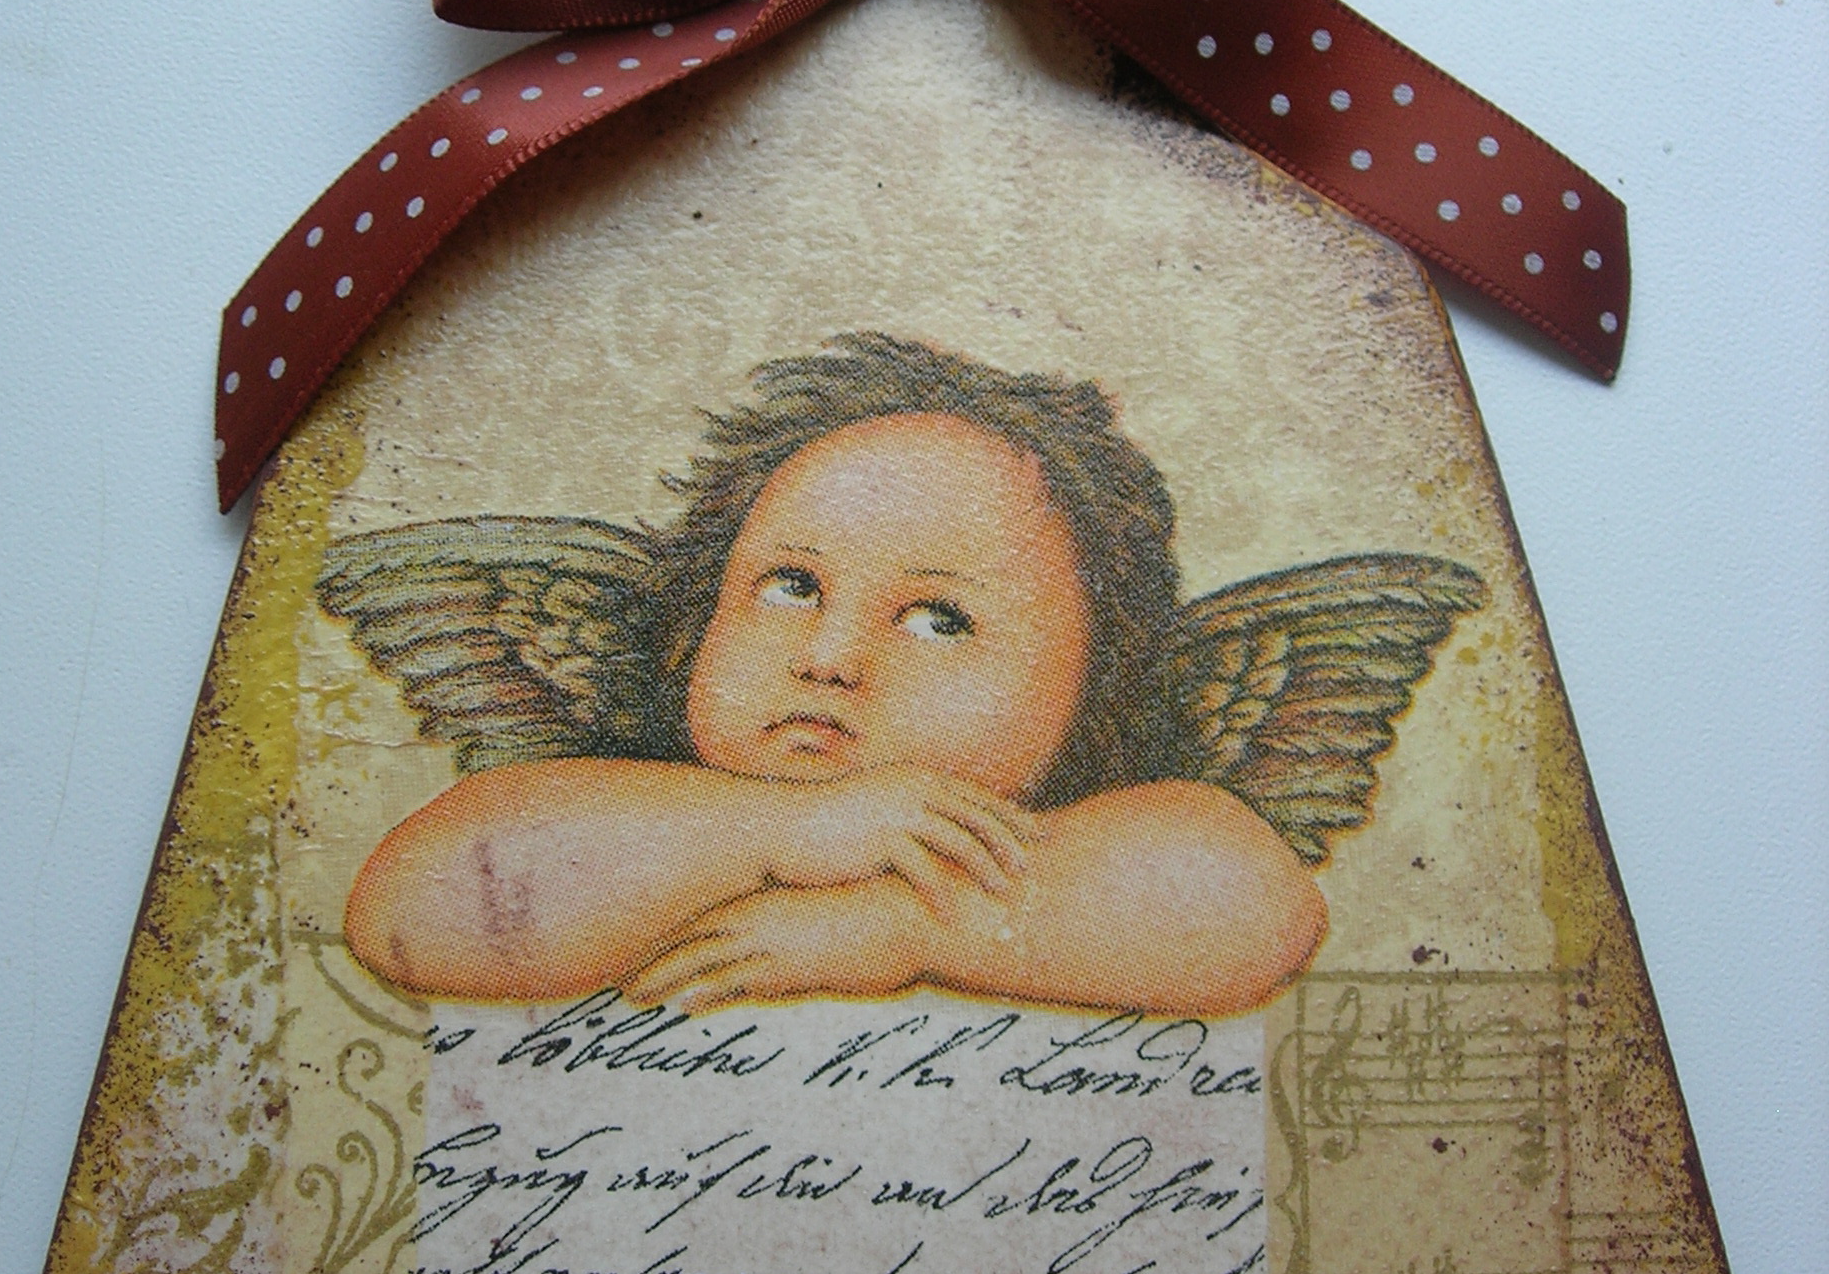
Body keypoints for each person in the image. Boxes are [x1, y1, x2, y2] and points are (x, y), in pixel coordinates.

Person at [343, 336, 1326, 1018]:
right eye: (791, 586)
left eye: (938, 619)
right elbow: (405, 917)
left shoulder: (1097, 844)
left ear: (1097, 687)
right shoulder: (616, 812)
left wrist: (902, 927)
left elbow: (1255, 903)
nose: (829, 658)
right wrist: (787, 830)